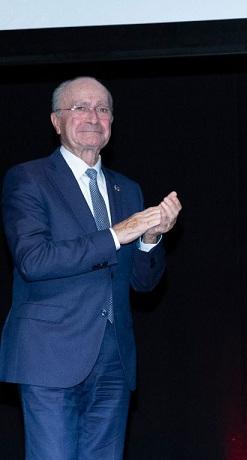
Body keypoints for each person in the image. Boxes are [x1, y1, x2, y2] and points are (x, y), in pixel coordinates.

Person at [0, 76, 182, 459]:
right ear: (56, 121)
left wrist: (152, 238)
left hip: (114, 358)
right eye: (79, 107)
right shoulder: (28, 179)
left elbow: (142, 283)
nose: (93, 117)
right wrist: (117, 234)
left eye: (103, 109)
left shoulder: (126, 189)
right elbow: (34, 260)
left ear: (112, 123)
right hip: (51, 354)